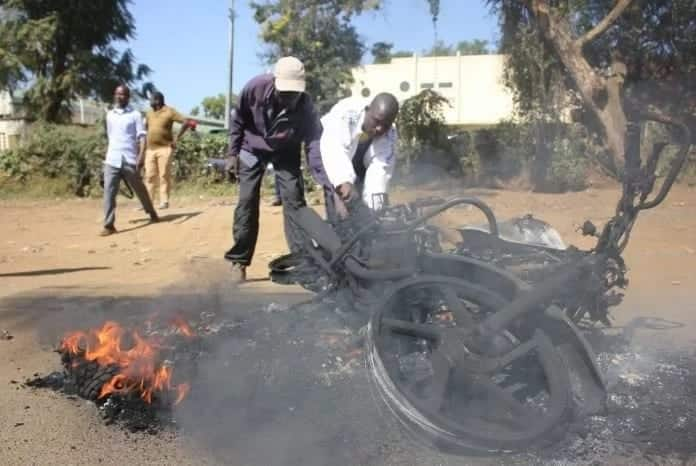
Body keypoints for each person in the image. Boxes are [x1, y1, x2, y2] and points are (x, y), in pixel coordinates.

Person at [223, 56, 328, 282]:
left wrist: (320, 175)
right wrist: (232, 154)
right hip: (251, 148)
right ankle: (239, 261)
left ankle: (301, 261)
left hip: (286, 149)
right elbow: (238, 120)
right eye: (285, 93)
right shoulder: (254, 87)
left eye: (294, 94)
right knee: (247, 200)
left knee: (294, 200)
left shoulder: (306, 106)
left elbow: (313, 142)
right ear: (274, 82)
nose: (289, 99)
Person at [319, 92, 399, 222]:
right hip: (326, 149)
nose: (379, 128)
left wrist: (373, 212)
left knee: (369, 209)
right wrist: (344, 181)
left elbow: (380, 169)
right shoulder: (346, 114)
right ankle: (328, 234)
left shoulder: (390, 133)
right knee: (339, 206)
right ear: (368, 110)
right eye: (376, 121)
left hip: (359, 158)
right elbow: (334, 149)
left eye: (385, 125)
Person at [101, 85, 158, 236]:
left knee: (140, 189)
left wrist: (141, 157)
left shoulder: (135, 115)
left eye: (123, 95)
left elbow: (142, 137)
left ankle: (151, 212)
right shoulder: (110, 115)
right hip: (112, 159)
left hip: (129, 159)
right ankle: (109, 225)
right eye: (118, 94)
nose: (120, 97)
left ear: (128, 97)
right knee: (109, 192)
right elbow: (110, 136)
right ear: (115, 95)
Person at [144, 91, 195, 209]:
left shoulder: (169, 111)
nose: (150, 102)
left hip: (165, 148)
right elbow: (146, 128)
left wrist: (176, 139)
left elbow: (186, 122)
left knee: (163, 175)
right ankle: (148, 202)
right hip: (150, 149)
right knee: (150, 176)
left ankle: (164, 201)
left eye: (151, 99)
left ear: (158, 100)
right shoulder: (149, 113)